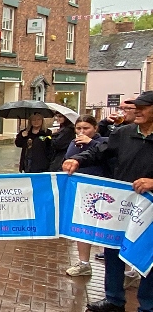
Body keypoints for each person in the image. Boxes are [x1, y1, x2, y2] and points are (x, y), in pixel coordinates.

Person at [62, 91, 153, 312]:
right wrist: (77, 159)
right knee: (113, 249)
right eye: (135, 106)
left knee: (148, 256)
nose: (137, 111)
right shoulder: (124, 133)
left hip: (150, 209)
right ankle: (113, 299)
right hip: (121, 204)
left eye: (142, 107)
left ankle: (148, 305)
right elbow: (99, 152)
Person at [63, 115, 107, 277]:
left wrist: (92, 143)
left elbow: (110, 158)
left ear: (95, 128)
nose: (81, 131)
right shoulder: (73, 143)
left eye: (86, 128)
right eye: (78, 128)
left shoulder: (104, 142)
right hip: (79, 190)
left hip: (101, 192)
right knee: (82, 226)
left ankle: (126, 269)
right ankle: (83, 263)